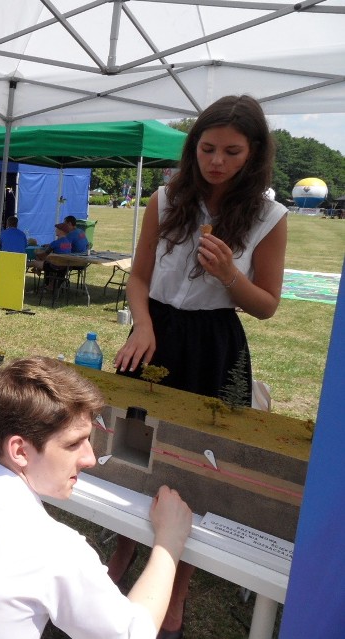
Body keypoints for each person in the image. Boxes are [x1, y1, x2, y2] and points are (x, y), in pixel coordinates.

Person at [111, 94, 288, 638]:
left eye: (232, 152)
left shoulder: (268, 216)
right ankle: (118, 561)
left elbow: (267, 305)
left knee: (197, 465)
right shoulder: (166, 199)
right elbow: (139, 277)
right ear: (194, 148)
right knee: (133, 448)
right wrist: (142, 324)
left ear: (253, 153)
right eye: (208, 148)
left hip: (215, 344)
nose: (216, 161)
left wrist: (230, 276)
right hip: (156, 332)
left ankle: (177, 590)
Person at [0, 356, 192, 639]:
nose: (90, 458)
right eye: (74, 444)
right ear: (20, 451)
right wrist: (169, 541)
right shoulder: (54, 549)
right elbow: (134, 633)